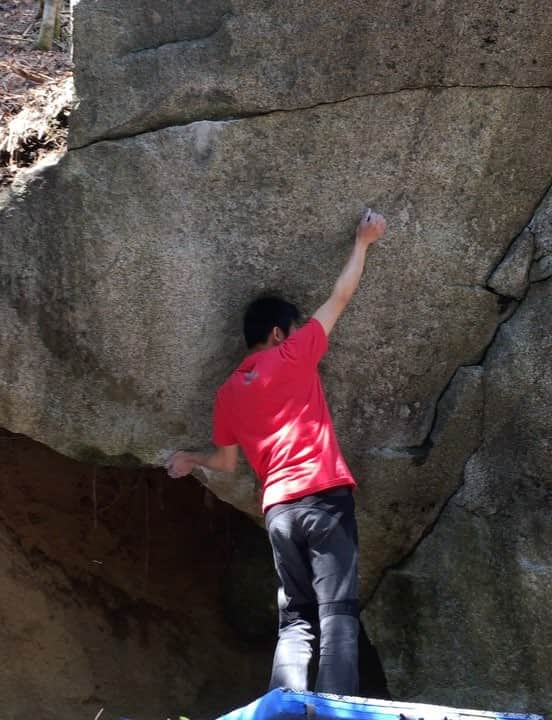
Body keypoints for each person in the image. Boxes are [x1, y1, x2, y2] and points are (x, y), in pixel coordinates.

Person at [166, 209, 387, 695]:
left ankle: (285, 705)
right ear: (279, 334)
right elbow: (341, 297)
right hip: (324, 497)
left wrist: (189, 458)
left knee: (296, 620)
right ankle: (332, 707)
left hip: (279, 511)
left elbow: (225, 463)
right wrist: (363, 243)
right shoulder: (292, 355)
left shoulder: (226, 393)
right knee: (337, 616)